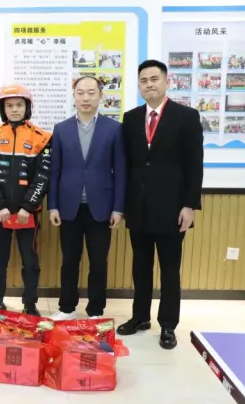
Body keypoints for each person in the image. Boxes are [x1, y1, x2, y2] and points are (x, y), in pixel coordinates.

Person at [117, 59, 204, 350]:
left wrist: (189, 205)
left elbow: (195, 164)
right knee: (140, 267)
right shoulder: (131, 118)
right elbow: (128, 164)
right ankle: (140, 317)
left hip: (172, 209)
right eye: (144, 80)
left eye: (154, 79)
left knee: (169, 269)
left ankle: (168, 324)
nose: (149, 84)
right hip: (138, 208)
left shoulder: (186, 116)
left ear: (167, 81)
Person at [48, 76, 126, 321]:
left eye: (91, 93)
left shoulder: (114, 129)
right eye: (80, 92)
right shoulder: (61, 129)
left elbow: (120, 171)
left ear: (100, 96)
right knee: (69, 261)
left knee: (98, 262)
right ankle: (67, 308)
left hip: (101, 207)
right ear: (74, 96)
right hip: (68, 206)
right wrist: (52, 206)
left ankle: (95, 310)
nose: (85, 98)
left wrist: (118, 208)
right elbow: (55, 171)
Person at [0, 84, 51, 316]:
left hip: (28, 214)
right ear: (3, 109)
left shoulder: (42, 138)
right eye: (9, 105)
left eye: (19, 105)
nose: (15, 109)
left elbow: (43, 176)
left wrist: (28, 207)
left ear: (27, 107)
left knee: (30, 262)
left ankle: (30, 305)